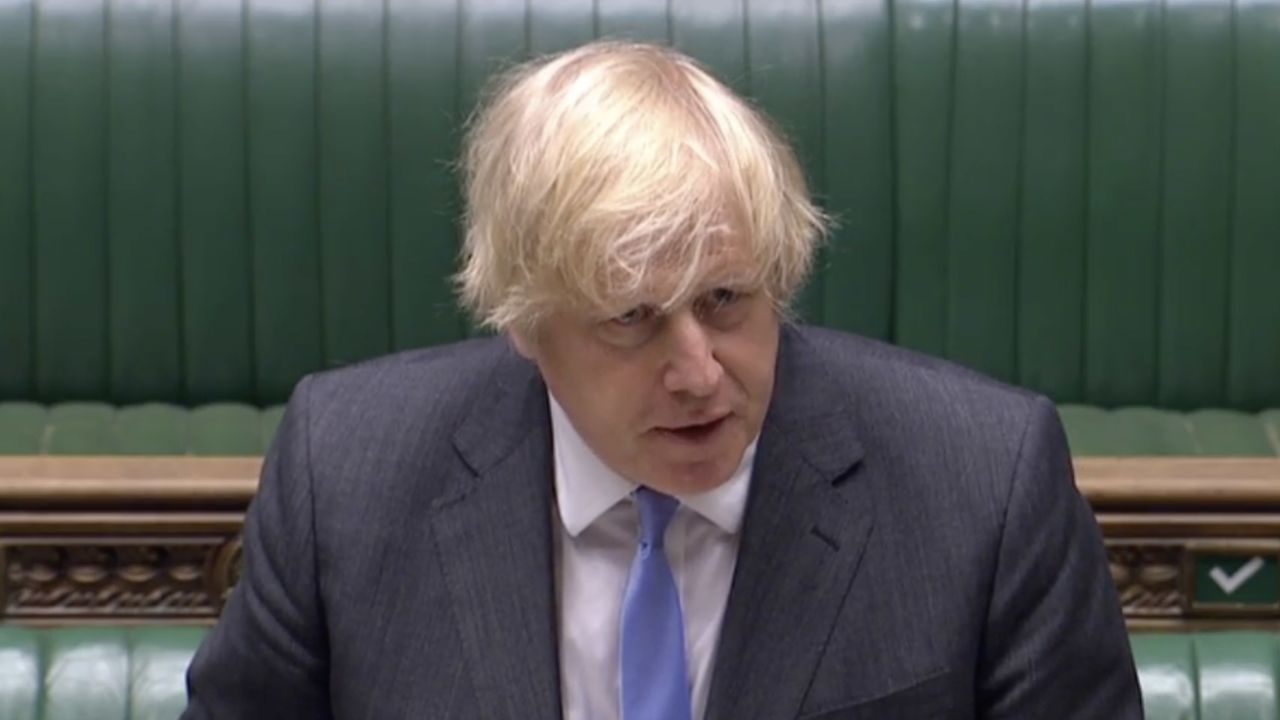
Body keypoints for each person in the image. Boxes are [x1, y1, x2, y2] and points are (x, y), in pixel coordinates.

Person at [182, 41, 1142, 719]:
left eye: (727, 298)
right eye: (631, 318)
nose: (697, 373)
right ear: (523, 319)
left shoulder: (984, 482)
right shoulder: (346, 472)